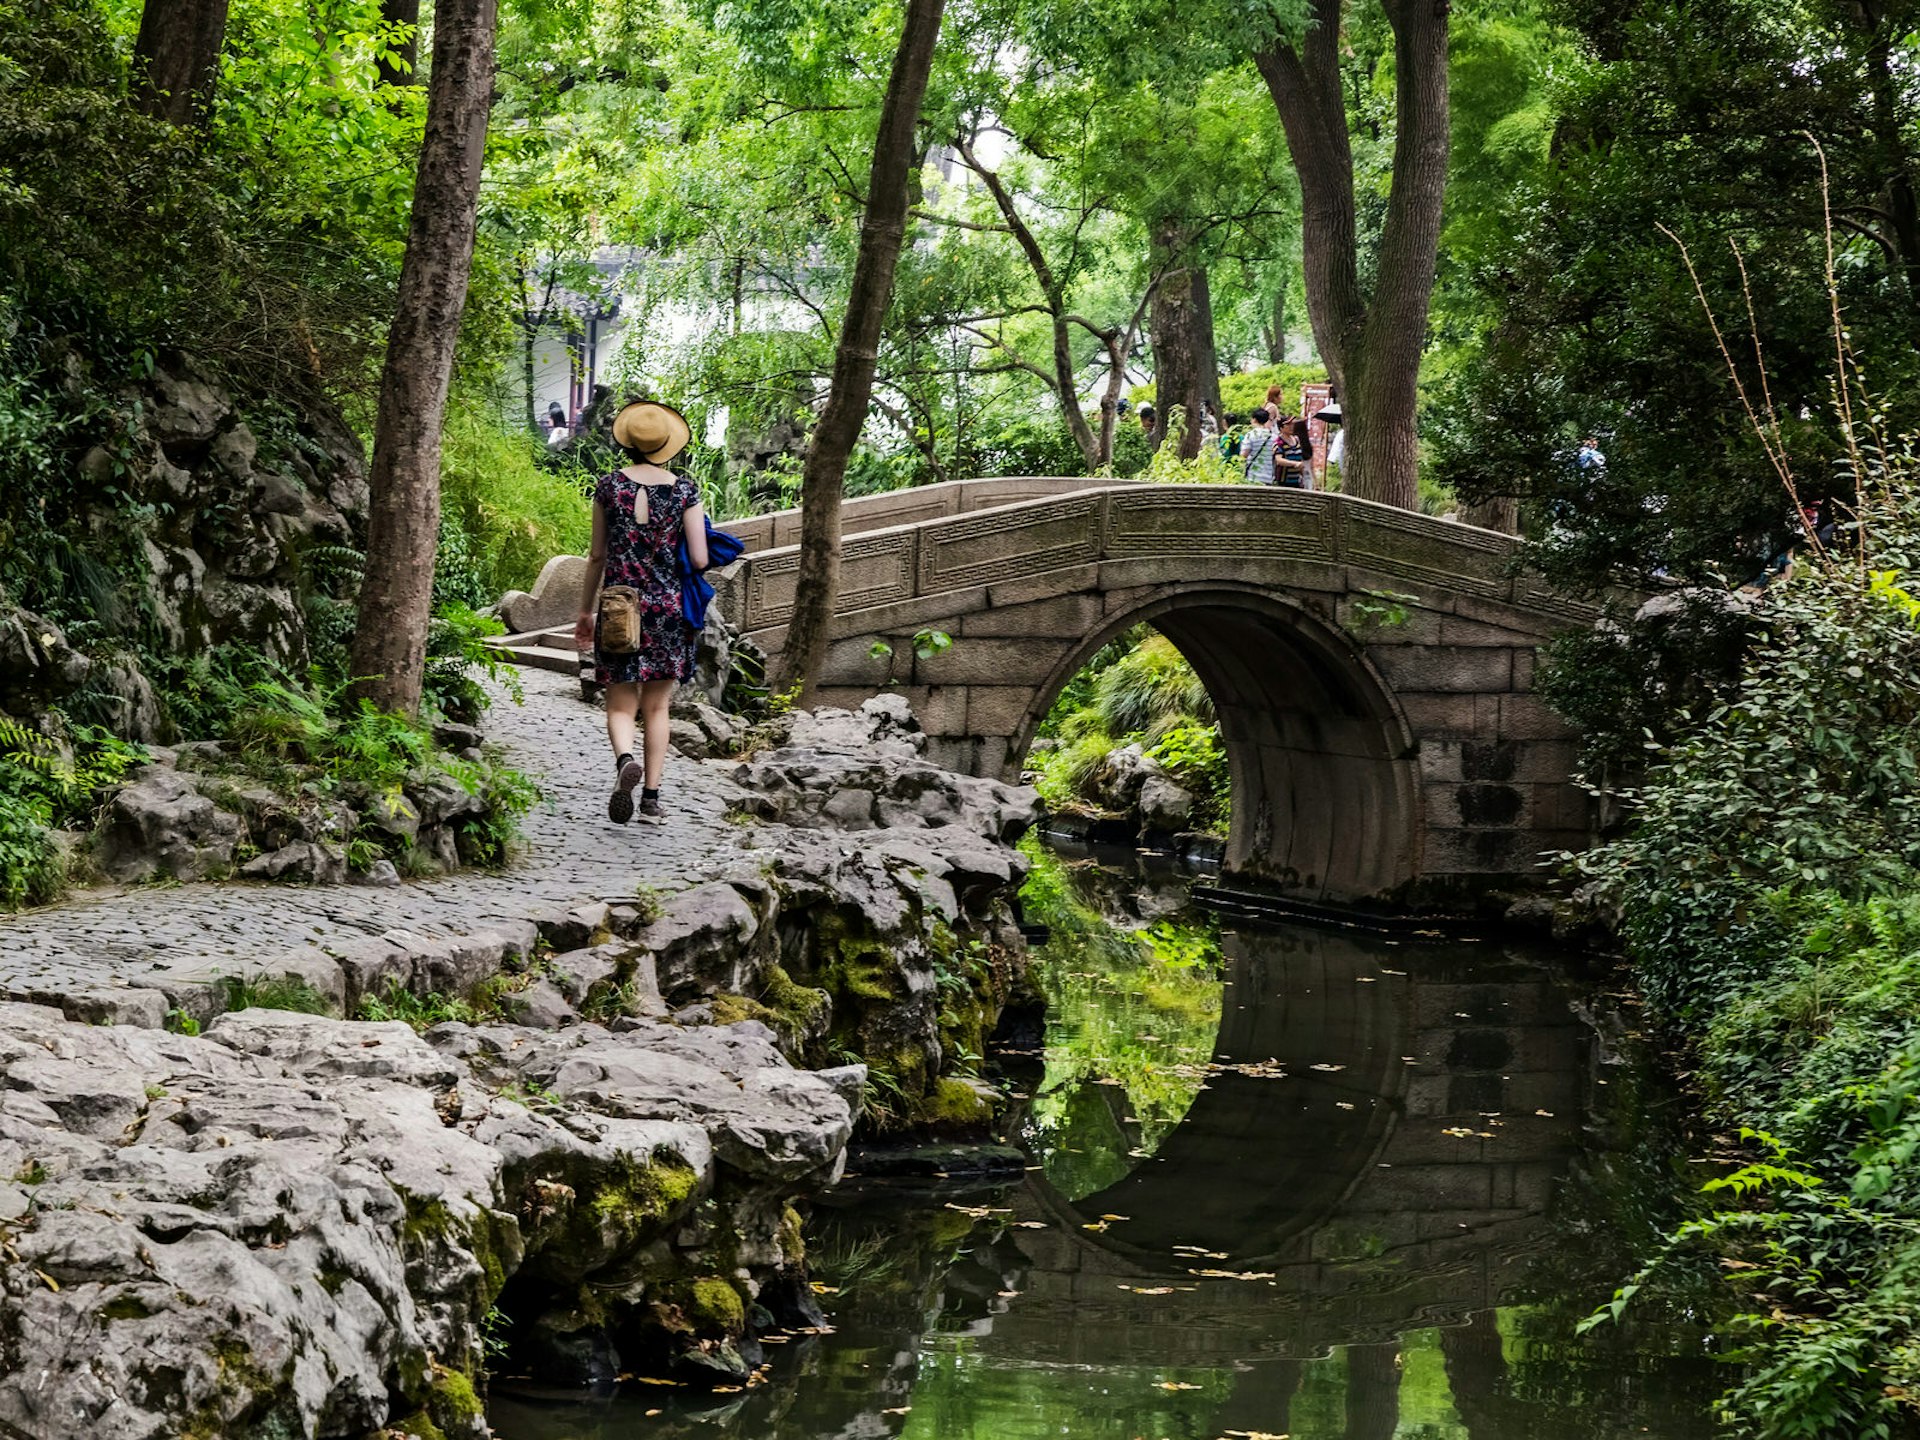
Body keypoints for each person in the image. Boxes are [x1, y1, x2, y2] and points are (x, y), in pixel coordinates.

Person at [574, 401, 709, 825]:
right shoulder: (685, 491)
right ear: (667, 445)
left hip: (619, 606)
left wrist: (585, 611)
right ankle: (651, 800)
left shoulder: (608, 487)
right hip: (667, 608)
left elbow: (597, 556)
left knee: (619, 702)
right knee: (657, 707)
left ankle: (624, 760)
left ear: (628, 443)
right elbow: (700, 559)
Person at [1240, 407, 1278, 484]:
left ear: (1254, 419)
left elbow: (1243, 455)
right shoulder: (1274, 437)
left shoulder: (1250, 435)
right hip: (1268, 476)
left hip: (1253, 476)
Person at [1275, 415, 1313, 488]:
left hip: (1297, 480)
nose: (1291, 427)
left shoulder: (1296, 440)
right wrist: (1294, 463)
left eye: (1292, 424)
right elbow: (1279, 460)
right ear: (1281, 428)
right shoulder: (1279, 442)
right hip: (1284, 481)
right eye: (1288, 425)